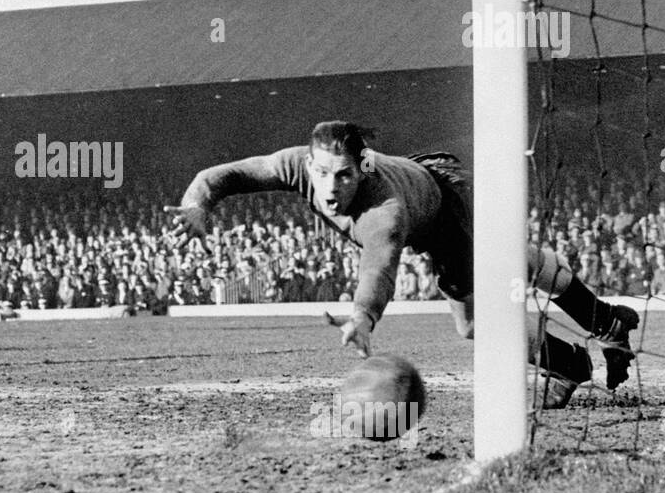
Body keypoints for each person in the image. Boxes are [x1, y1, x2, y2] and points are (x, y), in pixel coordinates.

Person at [166, 120, 638, 391]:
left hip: (448, 212)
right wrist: (195, 205)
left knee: (478, 315)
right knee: (515, 267)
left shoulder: (383, 214)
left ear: (364, 168)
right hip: (428, 182)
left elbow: (380, 265)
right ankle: (597, 331)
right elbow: (219, 176)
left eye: (345, 176)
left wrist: (364, 315)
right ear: (309, 164)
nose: (331, 189)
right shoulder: (293, 165)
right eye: (324, 174)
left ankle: (575, 358)